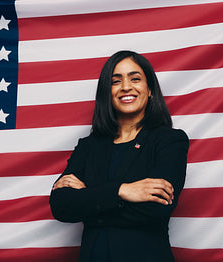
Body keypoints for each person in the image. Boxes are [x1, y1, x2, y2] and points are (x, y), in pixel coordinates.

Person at [49, 50, 189, 262]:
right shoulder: (89, 146)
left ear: (150, 89)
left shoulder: (169, 140)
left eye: (135, 78)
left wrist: (89, 199)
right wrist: (123, 191)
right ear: (107, 91)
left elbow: (155, 209)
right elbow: (61, 206)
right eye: (116, 81)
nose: (126, 87)